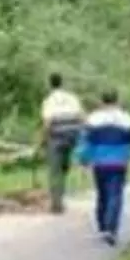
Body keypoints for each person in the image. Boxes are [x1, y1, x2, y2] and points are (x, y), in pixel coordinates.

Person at [75, 90, 130, 246]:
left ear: (101, 101)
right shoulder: (127, 119)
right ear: (117, 100)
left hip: (99, 162)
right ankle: (111, 228)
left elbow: (85, 142)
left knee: (102, 194)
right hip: (119, 161)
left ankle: (102, 226)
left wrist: (83, 160)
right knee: (115, 194)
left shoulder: (93, 119)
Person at [38, 72, 85, 214]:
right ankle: (59, 196)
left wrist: (42, 140)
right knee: (64, 167)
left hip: (56, 138)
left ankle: (56, 203)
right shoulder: (72, 98)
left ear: (49, 84)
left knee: (54, 170)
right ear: (62, 83)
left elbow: (47, 122)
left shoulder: (48, 101)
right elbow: (82, 117)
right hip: (72, 137)